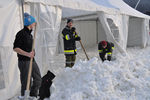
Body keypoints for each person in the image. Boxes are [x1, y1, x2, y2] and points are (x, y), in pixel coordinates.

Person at [13, 13, 41, 98]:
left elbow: (29, 47)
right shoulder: (21, 34)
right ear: (30, 23)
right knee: (26, 83)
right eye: (33, 22)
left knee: (38, 79)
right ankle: (24, 97)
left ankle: (33, 96)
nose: (34, 24)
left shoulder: (30, 34)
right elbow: (15, 48)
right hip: (24, 62)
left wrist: (32, 53)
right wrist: (28, 54)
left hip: (32, 60)